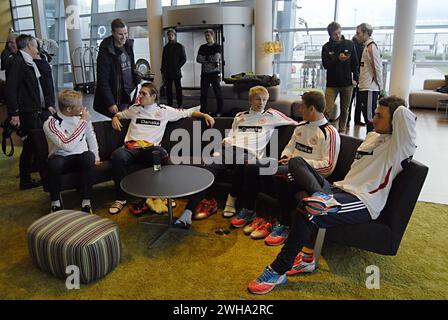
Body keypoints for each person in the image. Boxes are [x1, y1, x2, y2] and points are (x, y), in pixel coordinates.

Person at [247, 96, 417, 295]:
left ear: (395, 121)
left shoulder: (400, 147)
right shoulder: (373, 137)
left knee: (309, 207)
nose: (373, 119)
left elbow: (406, 116)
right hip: (339, 189)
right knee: (295, 166)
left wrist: (396, 106)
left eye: (379, 115)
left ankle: (278, 270)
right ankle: (310, 241)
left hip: (362, 201)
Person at [173, 86, 298, 229]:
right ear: (250, 99)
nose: (261, 102)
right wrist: (226, 142)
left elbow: (296, 123)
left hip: (248, 154)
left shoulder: (272, 115)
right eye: (258, 99)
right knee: (207, 169)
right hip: (228, 149)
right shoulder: (240, 116)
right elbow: (232, 134)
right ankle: (187, 213)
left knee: (242, 163)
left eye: (264, 100)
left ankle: (231, 200)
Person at [108, 82, 215, 215]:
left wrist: (205, 115)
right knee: (117, 156)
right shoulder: (134, 109)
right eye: (140, 93)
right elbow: (120, 114)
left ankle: (162, 194)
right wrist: (115, 117)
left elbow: (187, 112)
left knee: (160, 153)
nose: (140, 96)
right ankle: (120, 199)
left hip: (150, 149)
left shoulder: (164, 111)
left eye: (143, 94)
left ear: (153, 96)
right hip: (130, 148)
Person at [259, 91, 340, 246]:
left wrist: (297, 164)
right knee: (258, 167)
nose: (300, 110)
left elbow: (328, 166)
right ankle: (262, 216)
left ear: (311, 109)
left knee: (281, 174)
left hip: (313, 178)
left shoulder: (330, 132)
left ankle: (285, 225)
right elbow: (289, 149)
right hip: (289, 168)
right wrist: (285, 157)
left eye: (302, 107)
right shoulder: (300, 126)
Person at [43, 89, 100, 213]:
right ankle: (55, 201)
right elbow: (67, 145)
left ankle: (86, 201)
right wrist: (83, 122)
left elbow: (91, 136)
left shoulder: (81, 116)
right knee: (53, 163)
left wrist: (96, 156)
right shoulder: (51, 123)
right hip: (61, 158)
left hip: (81, 157)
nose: (82, 108)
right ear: (68, 109)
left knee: (89, 156)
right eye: (79, 105)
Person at [5, 34, 50, 190]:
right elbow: (10, 89)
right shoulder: (18, 62)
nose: (37, 49)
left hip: (33, 110)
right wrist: (14, 113)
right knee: (34, 144)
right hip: (27, 112)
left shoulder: (26, 61)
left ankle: (27, 179)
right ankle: (29, 180)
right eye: (35, 45)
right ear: (29, 46)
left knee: (31, 145)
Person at [93, 18, 140, 118]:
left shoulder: (128, 45)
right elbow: (103, 79)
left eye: (126, 33)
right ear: (113, 33)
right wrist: (110, 102)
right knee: (120, 124)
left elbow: (132, 66)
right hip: (117, 98)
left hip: (131, 95)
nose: (124, 37)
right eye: (120, 34)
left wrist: (138, 81)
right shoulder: (106, 50)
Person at [321, 22, 359, 133]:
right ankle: (323, 130)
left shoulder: (349, 44)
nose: (337, 36)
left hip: (347, 84)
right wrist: (337, 58)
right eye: (334, 34)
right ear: (330, 35)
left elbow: (355, 63)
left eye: (338, 33)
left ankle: (342, 131)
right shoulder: (326, 47)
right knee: (327, 109)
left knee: (345, 110)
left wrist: (356, 78)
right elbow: (326, 65)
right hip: (332, 84)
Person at [355, 23, 383, 133]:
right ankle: (369, 140)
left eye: (358, 33)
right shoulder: (367, 47)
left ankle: (371, 141)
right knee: (367, 116)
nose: (356, 36)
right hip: (364, 86)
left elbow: (377, 68)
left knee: (370, 118)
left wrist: (380, 87)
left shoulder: (371, 47)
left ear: (366, 33)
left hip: (370, 88)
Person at [196, 29, 223, 116]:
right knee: (203, 94)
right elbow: (198, 59)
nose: (207, 37)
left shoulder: (217, 46)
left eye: (208, 35)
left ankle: (219, 111)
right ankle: (203, 111)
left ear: (212, 36)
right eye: (206, 36)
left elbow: (216, 58)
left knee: (218, 93)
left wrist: (205, 58)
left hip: (214, 73)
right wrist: (209, 58)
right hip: (204, 74)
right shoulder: (202, 47)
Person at [161, 28, 186, 108]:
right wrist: (162, 70)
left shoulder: (179, 46)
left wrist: (177, 67)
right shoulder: (166, 48)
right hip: (167, 72)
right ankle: (169, 104)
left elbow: (184, 58)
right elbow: (163, 60)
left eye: (172, 35)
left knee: (178, 88)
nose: (170, 36)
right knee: (168, 89)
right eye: (169, 35)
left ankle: (180, 104)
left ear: (174, 36)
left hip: (176, 71)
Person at [34, 39, 56, 120]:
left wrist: (49, 104)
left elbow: (48, 85)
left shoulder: (41, 63)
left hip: (44, 105)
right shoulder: (43, 62)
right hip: (45, 103)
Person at [347, 35, 365, 127]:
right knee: (358, 100)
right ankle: (356, 119)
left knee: (350, 100)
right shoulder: (359, 47)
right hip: (358, 76)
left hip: (354, 76)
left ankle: (348, 120)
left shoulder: (354, 46)